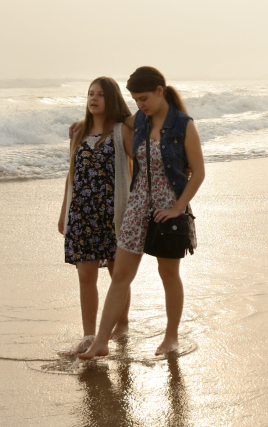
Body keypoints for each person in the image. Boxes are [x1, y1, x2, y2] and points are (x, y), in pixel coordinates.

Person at [79, 66, 205, 359]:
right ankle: (100, 342)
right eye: (136, 100)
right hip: (137, 204)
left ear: (160, 92)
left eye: (144, 98)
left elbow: (197, 173)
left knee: (168, 273)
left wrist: (177, 208)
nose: (140, 105)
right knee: (120, 275)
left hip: (169, 206)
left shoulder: (184, 125)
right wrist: (82, 123)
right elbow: (112, 121)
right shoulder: (139, 121)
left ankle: (171, 337)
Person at [58, 76, 134, 355]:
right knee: (86, 276)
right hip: (81, 214)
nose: (94, 98)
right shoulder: (78, 133)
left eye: (101, 94)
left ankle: (121, 324)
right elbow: (71, 177)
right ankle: (89, 335)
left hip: (113, 214)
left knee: (118, 274)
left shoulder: (121, 131)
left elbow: (140, 161)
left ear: (111, 98)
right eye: (91, 93)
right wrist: (64, 213)